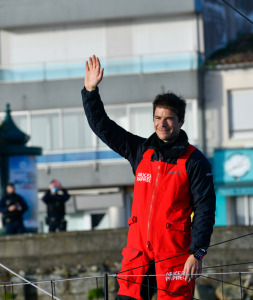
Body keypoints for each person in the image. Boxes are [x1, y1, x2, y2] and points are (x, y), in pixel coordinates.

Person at [82, 55, 216, 300]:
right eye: (157, 117)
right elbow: (104, 128)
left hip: (175, 259)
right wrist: (91, 91)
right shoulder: (141, 151)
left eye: (168, 118)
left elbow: (205, 210)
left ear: (181, 121)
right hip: (137, 258)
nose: (162, 124)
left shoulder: (195, 161)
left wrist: (197, 254)